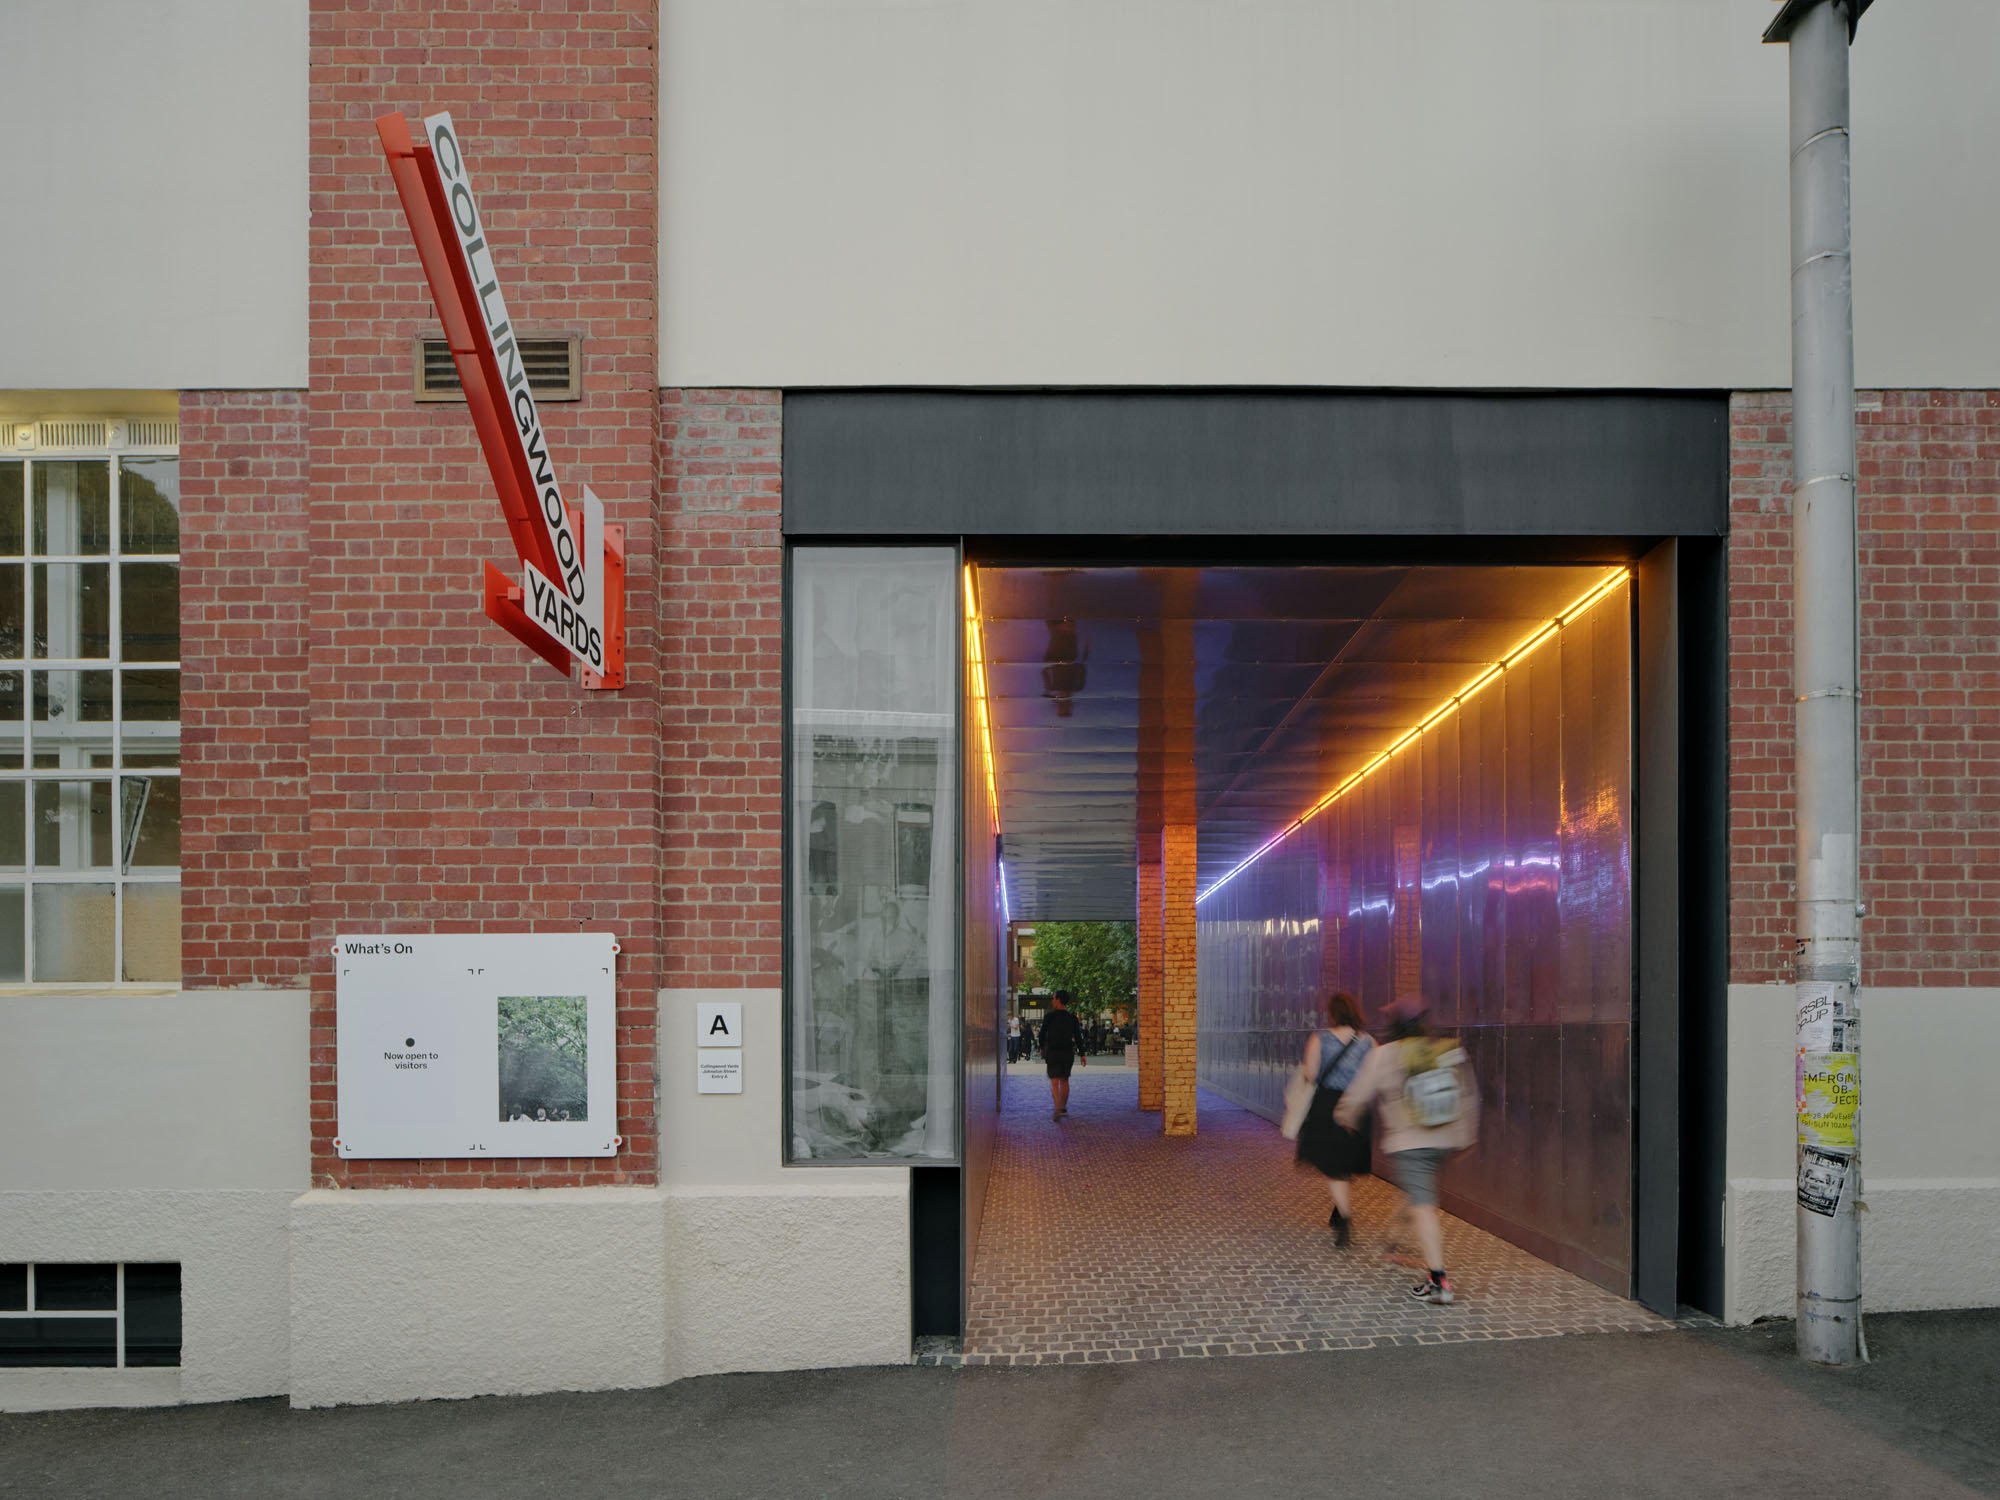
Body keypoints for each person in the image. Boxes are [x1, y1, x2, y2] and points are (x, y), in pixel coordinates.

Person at [1335, 996, 1479, 1305]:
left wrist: (1344, 1116)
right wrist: (1465, 1137)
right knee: (1419, 1194)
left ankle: (1438, 1280)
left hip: (1410, 1143)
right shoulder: (1446, 1050)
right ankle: (1396, 1238)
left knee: (1423, 1206)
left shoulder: (1385, 1054)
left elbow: (1359, 1093)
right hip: (1444, 1139)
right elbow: (1467, 1095)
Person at [1293, 991, 1374, 1246]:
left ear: (1333, 1013)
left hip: (1328, 1104)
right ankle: (1339, 1212)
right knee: (1345, 1160)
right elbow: (1374, 1075)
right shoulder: (1369, 1042)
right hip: (1358, 1105)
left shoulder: (1320, 1038)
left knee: (1333, 1165)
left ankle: (1346, 1219)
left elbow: (1311, 1073)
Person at [1038, 990, 1087, 1121]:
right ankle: (1063, 1107)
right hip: (1067, 1053)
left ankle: (1058, 1107)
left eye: (1054, 998)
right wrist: (1082, 1054)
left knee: (1054, 1081)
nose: (1052, 1001)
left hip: (1053, 1052)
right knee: (1065, 1080)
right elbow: (1078, 1037)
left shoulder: (1049, 1017)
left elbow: (1042, 1034)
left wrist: (1042, 1047)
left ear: (1058, 1000)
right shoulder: (1072, 1018)